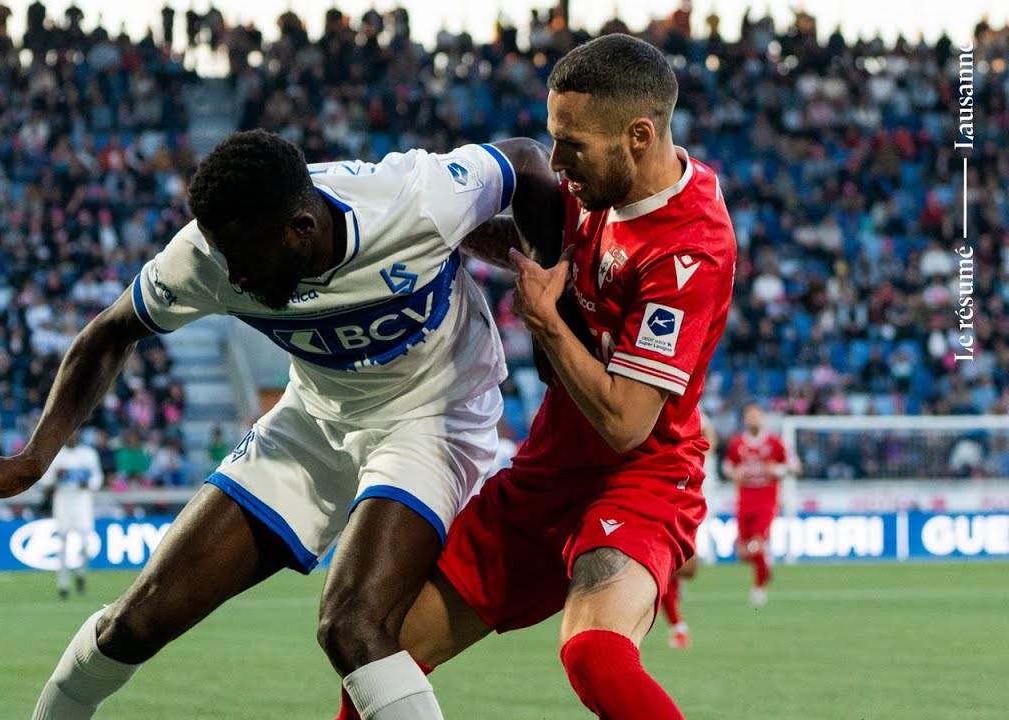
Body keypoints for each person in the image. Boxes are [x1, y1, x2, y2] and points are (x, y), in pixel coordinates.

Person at [0, 128, 559, 719]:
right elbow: (109, 333)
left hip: (432, 417)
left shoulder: (412, 198)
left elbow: (528, 162)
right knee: (136, 620)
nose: (230, 278)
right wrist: (32, 459)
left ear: (301, 229)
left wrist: (556, 310)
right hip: (312, 418)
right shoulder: (208, 253)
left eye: (244, 261)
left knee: (352, 625)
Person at [335, 35, 737, 720]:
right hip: (546, 474)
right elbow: (527, 243)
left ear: (638, 136)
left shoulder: (689, 250)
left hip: (640, 476)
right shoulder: (599, 185)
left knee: (594, 655)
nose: (557, 163)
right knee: (379, 661)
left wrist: (546, 323)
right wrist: (431, 226)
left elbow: (625, 424)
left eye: (572, 144)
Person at [722, 403, 799, 607]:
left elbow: (795, 466)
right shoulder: (737, 443)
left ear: (762, 419)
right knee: (743, 552)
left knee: (758, 544)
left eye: (756, 416)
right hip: (744, 499)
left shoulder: (775, 443)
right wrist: (733, 473)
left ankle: (758, 589)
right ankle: (766, 563)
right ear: (745, 420)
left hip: (766, 500)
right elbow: (727, 466)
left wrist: (778, 471)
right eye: (749, 416)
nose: (752, 420)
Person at [660, 409, 719, 649]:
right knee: (665, 568)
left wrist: (699, 454)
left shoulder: (693, 412)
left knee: (684, 568)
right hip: (658, 490)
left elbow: (710, 437)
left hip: (687, 493)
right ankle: (678, 626)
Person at [41, 431, 105, 599]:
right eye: (68, 435)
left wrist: (89, 484)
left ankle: (81, 573)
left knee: (85, 542)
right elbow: (45, 481)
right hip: (63, 501)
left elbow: (98, 478)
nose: (71, 437)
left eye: (74, 434)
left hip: (82, 501)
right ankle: (63, 584)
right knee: (62, 543)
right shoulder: (56, 456)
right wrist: (56, 477)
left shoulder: (88, 454)